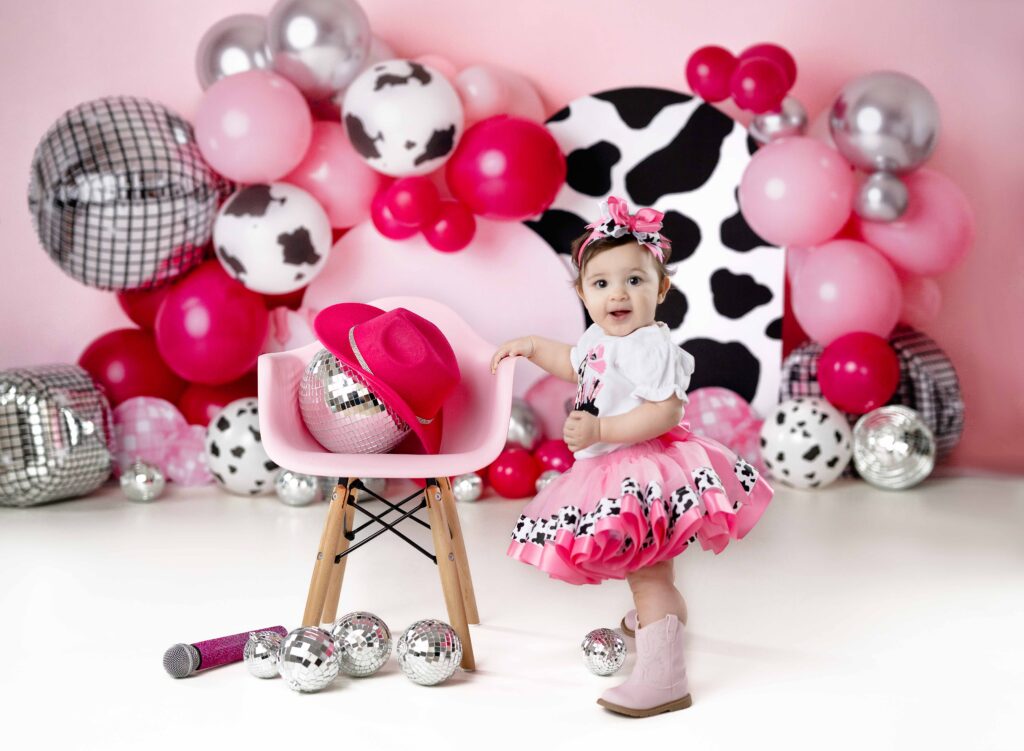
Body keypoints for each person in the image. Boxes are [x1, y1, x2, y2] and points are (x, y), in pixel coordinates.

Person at [490, 196, 773, 718]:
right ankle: (664, 617)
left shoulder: (648, 345)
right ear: (583, 293)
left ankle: (665, 677)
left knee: (647, 571)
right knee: (644, 563)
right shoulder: (599, 338)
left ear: (661, 289)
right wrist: (532, 345)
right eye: (601, 284)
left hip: (645, 467)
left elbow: (665, 411)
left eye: (634, 281)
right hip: (609, 470)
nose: (617, 293)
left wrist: (602, 429)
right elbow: (575, 363)